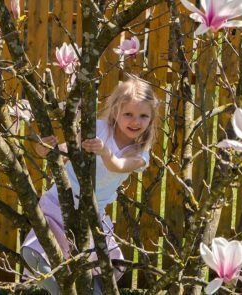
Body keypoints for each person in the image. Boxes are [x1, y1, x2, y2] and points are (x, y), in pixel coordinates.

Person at [20, 76, 159, 294]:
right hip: (59, 201)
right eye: (128, 114)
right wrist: (44, 149)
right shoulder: (99, 128)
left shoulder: (140, 154)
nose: (135, 121)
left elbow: (118, 166)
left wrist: (104, 152)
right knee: (32, 253)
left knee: (100, 272)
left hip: (92, 215)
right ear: (115, 112)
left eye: (143, 116)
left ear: (151, 119)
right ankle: (60, 291)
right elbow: (68, 150)